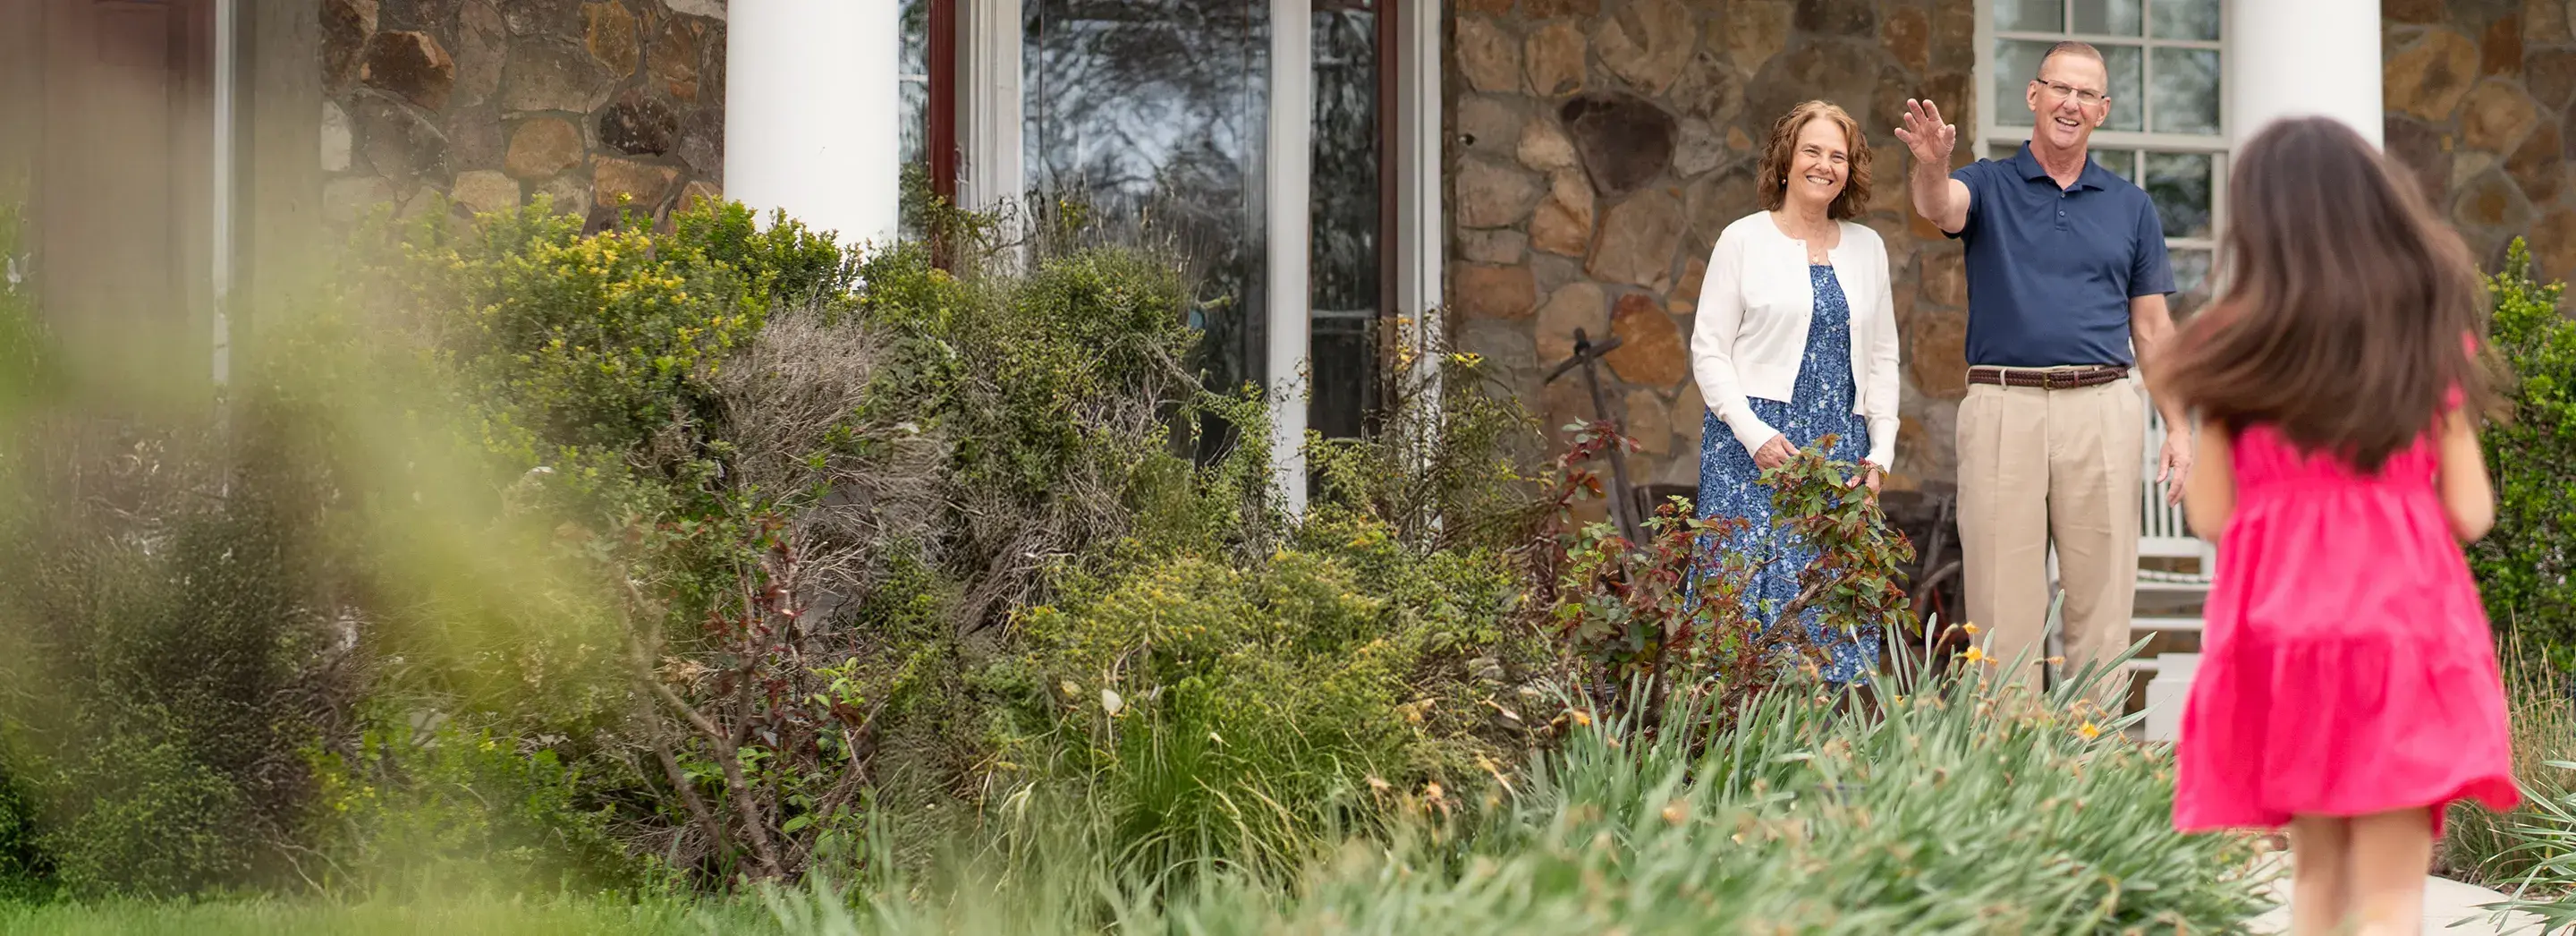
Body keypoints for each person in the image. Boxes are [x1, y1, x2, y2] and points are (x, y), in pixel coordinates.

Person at [2157, 115, 2517, 936]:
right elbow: (2471, 509)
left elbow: (2212, 513)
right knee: (2392, 900)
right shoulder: (2423, 342)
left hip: (2286, 648)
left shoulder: (2234, 349)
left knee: (2316, 885)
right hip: (2401, 639)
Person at [1894, 41, 2189, 690]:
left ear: (2103, 111)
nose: (2071, 104)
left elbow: (2152, 328)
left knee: (2103, 612)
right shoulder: (1986, 183)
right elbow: (1940, 207)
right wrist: (1934, 165)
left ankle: (2093, 777)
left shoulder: (2131, 206)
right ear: (2034, 96)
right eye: (2061, 88)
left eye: (2087, 95)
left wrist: (2179, 426)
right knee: (2004, 616)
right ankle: (2008, 776)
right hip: (2006, 407)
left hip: (2104, 408)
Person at [1689, 100, 1901, 686]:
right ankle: (1727, 761)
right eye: (1812, 150)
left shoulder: (1868, 248)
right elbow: (1709, 351)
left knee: (1830, 613)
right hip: (1753, 448)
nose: (1824, 165)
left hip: (1840, 453)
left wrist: (1880, 451)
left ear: (1849, 170)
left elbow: (1883, 358)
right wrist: (1753, 434)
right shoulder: (1742, 241)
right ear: (1786, 159)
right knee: (1737, 610)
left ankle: (1818, 764)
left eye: (1838, 155)